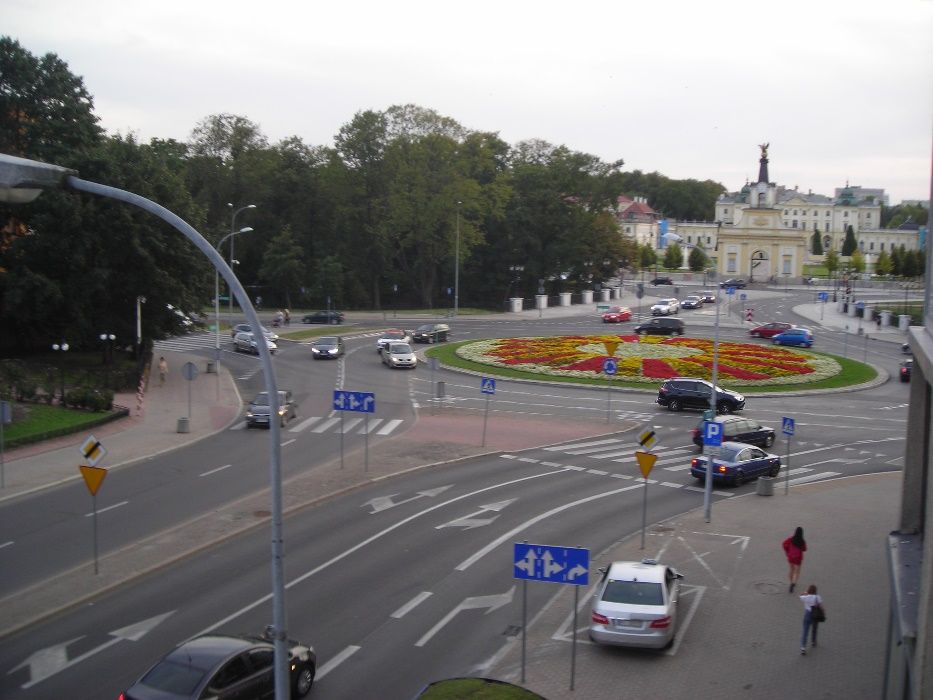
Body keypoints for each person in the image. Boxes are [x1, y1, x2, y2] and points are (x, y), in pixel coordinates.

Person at [799, 584, 824, 654]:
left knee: (805, 631)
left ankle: (803, 647)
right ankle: (813, 641)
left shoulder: (806, 597)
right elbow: (820, 606)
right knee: (814, 628)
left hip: (807, 614)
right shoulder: (817, 597)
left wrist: (804, 592)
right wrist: (823, 612)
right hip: (815, 614)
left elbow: (800, 596)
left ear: (809, 590)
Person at [782, 526, 807, 593]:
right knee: (797, 571)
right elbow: (804, 549)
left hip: (791, 557)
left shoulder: (791, 539)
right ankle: (794, 583)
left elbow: (784, 544)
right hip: (798, 558)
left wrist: (787, 551)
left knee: (791, 570)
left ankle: (791, 582)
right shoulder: (802, 541)